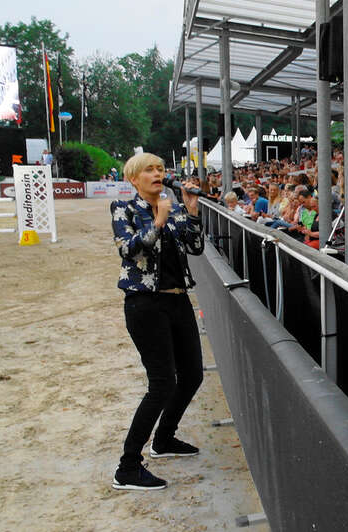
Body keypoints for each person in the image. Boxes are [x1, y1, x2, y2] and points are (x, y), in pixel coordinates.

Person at [109, 153, 204, 491]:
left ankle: (164, 440)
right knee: (162, 382)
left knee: (192, 374)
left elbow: (196, 247)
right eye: (149, 169)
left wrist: (191, 210)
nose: (157, 174)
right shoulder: (124, 209)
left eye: (160, 169)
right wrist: (157, 222)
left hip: (177, 298)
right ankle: (128, 467)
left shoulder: (174, 208)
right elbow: (129, 250)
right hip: (144, 303)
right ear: (134, 178)